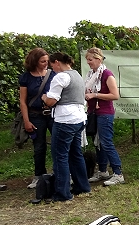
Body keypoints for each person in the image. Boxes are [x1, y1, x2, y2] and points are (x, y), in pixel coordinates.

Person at [41, 52, 91, 202]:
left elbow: (51, 101)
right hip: (79, 119)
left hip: (65, 120)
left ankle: (62, 194)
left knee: (60, 156)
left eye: (52, 65)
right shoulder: (77, 75)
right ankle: (83, 186)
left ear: (57, 62)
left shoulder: (61, 77)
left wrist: (44, 97)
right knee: (75, 154)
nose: (52, 69)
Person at [83, 48, 124, 186]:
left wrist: (95, 95)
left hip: (105, 113)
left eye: (90, 59)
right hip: (94, 113)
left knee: (106, 142)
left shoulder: (107, 75)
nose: (88, 62)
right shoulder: (92, 75)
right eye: (87, 60)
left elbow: (115, 95)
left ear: (98, 59)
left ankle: (118, 173)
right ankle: (102, 170)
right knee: (98, 143)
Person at [19, 48, 56, 189]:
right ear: (35, 61)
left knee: (58, 144)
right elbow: (23, 101)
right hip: (35, 115)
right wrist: (26, 120)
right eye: (43, 61)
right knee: (39, 147)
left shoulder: (53, 75)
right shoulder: (26, 77)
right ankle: (39, 176)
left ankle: (61, 173)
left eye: (47, 61)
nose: (46, 64)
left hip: (52, 114)